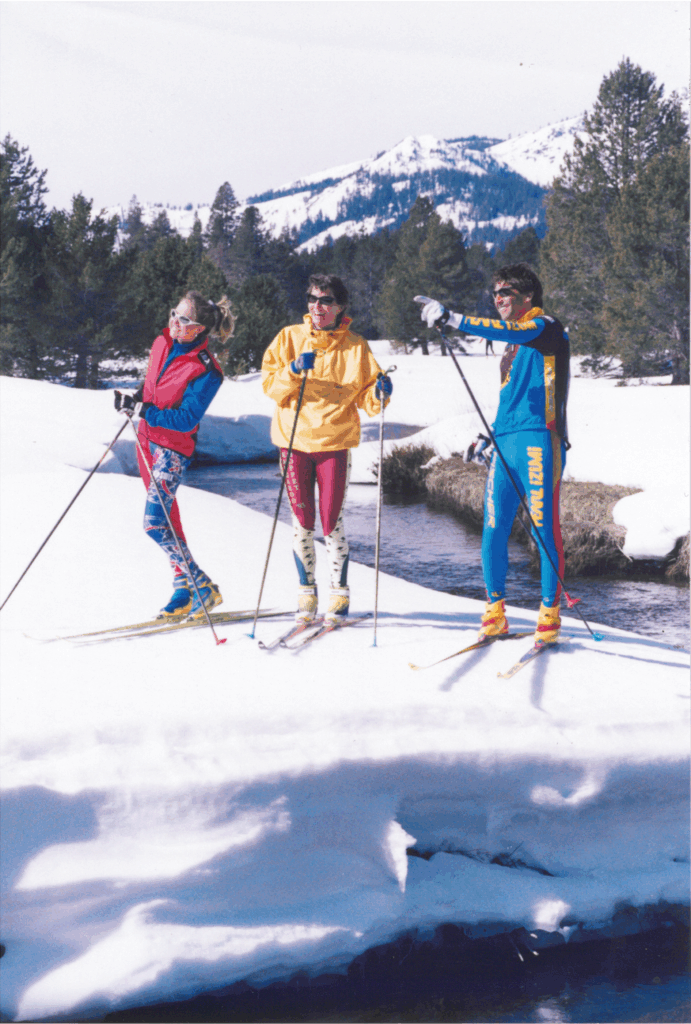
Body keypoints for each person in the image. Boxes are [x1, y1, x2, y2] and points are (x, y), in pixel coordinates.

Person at [418, 263, 569, 646]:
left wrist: (453, 319)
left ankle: (549, 615)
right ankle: (494, 612)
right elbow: (511, 395)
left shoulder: (545, 327)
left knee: (543, 527)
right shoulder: (513, 344)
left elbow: (508, 328)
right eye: (495, 293)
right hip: (505, 441)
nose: (498, 298)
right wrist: (490, 436)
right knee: (494, 526)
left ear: (528, 296)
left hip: (539, 438)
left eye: (506, 292)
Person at [262, 274, 392, 624]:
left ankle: (339, 593)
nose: (316, 307)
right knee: (302, 520)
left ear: (340, 307)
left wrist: (381, 391)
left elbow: (368, 398)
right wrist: (292, 370)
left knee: (331, 519)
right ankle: (306, 593)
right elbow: (270, 388)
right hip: (294, 442)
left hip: (334, 444)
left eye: (325, 301)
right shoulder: (290, 337)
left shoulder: (356, 346)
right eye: (312, 299)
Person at [114, 292, 234, 619]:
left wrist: (146, 411)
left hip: (172, 449)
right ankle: (183, 590)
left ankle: (201, 585)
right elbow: (151, 387)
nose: (174, 322)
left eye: (183, 320)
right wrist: (134, 400)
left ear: (199, 329)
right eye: (173, 314)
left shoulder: (207, 369)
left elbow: (186, 420)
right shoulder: (161, 343)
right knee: (168, 519)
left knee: (154, 524)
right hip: (146, 442)